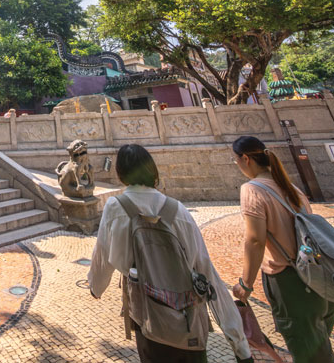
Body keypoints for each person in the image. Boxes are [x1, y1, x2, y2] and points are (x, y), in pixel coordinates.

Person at [88, 144, 254, 363]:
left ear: (120, 173)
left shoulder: (115, 207)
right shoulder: (178, 210)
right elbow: (206, 270)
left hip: (147, 317)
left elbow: (102, 257)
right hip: (189, 319)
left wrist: (96, 287)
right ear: (151, 170)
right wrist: (239, 344)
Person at [230, 135, 334, 363]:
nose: (236, 165)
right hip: (320, 280)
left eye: (235, 160)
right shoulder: (291, 187)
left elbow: (254, 241)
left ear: (245, 159)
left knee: (310, 353)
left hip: (291, 283)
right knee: (317, 348)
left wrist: (245, 284)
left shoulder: (252, 190)